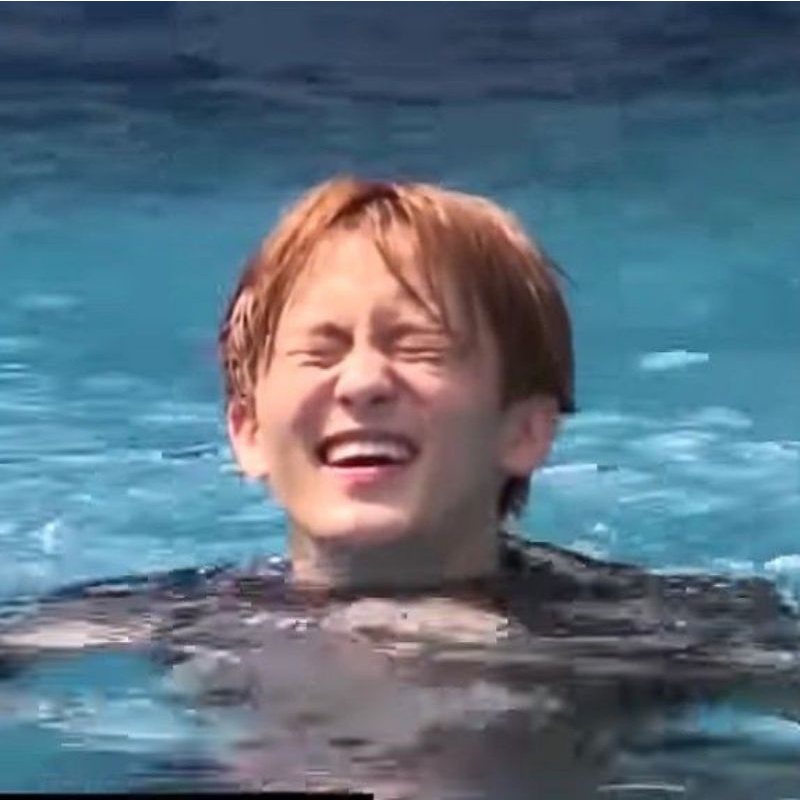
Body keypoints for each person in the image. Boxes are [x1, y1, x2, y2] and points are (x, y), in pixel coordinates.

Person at [2, 177, 800, 797]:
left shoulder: (657, 634)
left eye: (419, 348)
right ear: (248, 433)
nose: (363, 382)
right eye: (319, 353)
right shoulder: (169, 620)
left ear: (524, 431)